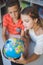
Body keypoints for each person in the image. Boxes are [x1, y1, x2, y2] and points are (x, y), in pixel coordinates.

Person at [2, 0, 24, 65]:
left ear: (20, 9)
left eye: (16, 11)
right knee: (8, 54)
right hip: (10, 37)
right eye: (10, 12)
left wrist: (18, 45)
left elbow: (22, 35)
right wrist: (7, 45)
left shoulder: (23, 18)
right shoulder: (5, 17)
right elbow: (3, 34)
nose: (13, 15)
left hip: (20, 37)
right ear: (7, 12)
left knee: (19, 56)